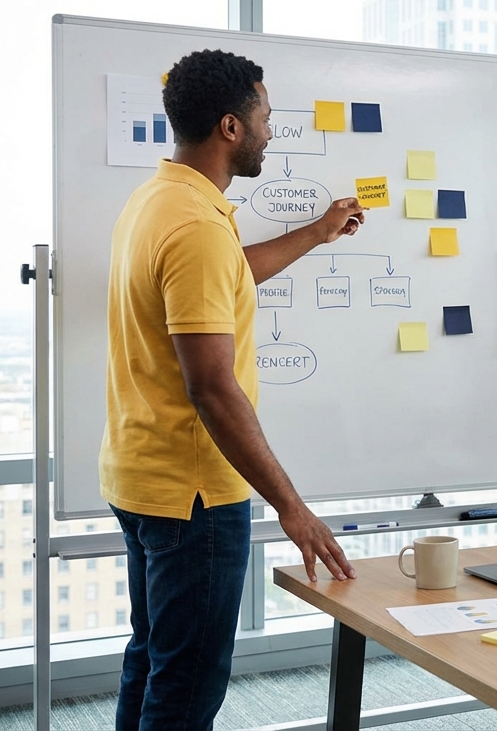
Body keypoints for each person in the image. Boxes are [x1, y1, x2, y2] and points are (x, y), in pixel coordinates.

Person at [101, 49, 366, 730]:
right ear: (230, 127)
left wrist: (314, 232)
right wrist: (292, 507)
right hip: (195, 495)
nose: (271, 131)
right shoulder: (196, 227)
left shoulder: (161, 200)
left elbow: (226, 275)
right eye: (266, 117)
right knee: (186, 687)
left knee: (154, 656)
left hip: (142, 476)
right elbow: (213, 388)